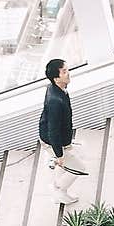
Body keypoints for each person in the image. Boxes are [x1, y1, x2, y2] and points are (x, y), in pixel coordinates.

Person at [39, 58, 86, 205]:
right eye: (64, 72)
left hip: (58, 137)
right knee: (79, 168)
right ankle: (58, 189)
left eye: (67, 70)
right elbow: (53, 131)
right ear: (56, 78)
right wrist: (58, 154)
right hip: (52, 140)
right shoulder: (55, 100)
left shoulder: (56, 89)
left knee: (70, 160)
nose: (68, 73)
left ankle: (59, 189)